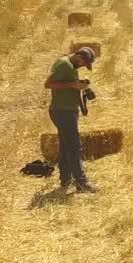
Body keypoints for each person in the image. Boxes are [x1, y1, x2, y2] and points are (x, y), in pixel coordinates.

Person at [44, 46, 99, 193]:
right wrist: (72, 85)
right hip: (62, 111)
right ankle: (82, 182)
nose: (82, 66)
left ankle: (65, 178)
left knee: (65, 146)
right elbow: (48, 84)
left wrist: (79, 84)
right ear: (79, 57)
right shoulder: (64, 64)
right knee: (74, 146)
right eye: (83, 63)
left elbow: (65, 83)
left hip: (66, 110)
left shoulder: (70, 66)